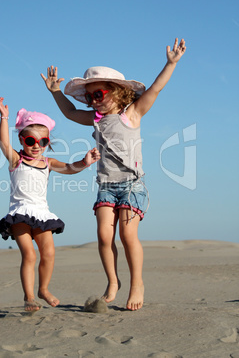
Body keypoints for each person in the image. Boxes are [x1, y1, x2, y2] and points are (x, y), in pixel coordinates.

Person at [41, 38, 186, 311]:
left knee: (127, 235)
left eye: (99, 94)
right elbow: (71, 112)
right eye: (90, 96)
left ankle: (137, 284)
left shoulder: (132, 113)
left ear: (117, 92)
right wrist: (55, 91)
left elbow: (155, 90)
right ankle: (113, 281)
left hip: (132, 185)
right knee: (104, 237)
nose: (93, 100)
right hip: (106, 186)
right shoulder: (95, 118)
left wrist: (170, 63)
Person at [0, 98, 100, 312]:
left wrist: (85, 161)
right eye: (30, 141)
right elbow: (3, 144)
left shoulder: (48, 163)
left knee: (49, 253)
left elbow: (70, 168)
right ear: (22, 140)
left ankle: (43, 289)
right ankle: (29, 297)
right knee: (30, 255)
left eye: (42, 142)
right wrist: (4, 118)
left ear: (48, 142)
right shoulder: (16, 160)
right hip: (19, 213)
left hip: (42, 214)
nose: (36, 146)